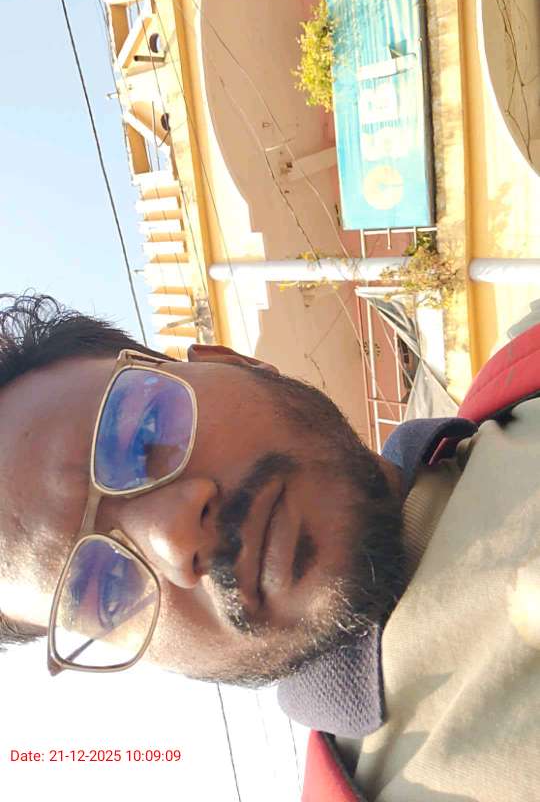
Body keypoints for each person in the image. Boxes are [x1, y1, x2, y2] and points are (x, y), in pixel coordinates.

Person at [1, 292, 539, 802]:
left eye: (142, 435)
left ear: (236, 363)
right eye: (107, 589)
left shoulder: (527, 363)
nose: (174, 538)